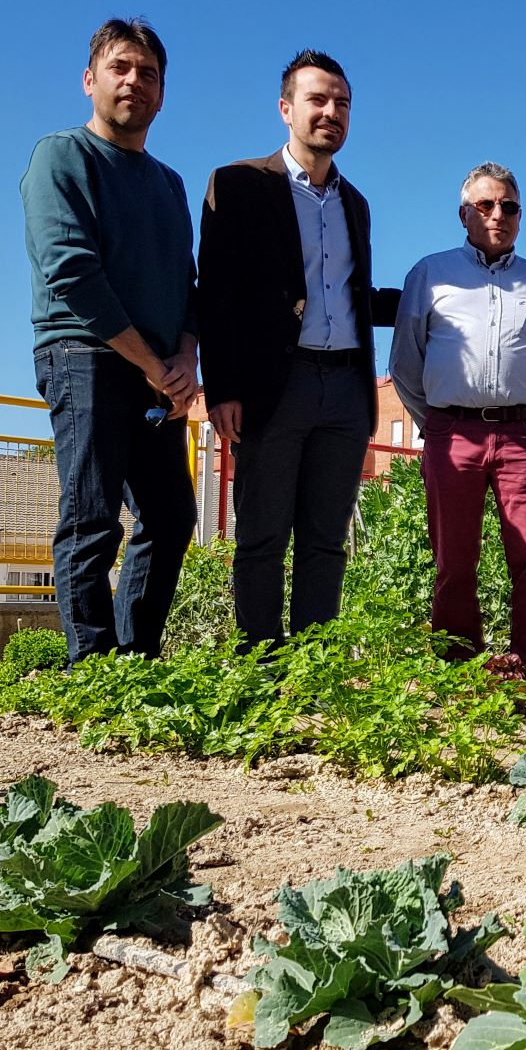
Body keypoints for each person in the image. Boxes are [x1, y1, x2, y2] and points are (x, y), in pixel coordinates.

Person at [196, 50, 399, 649]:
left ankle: (312, 669)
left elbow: (352, 294)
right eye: (317, 100)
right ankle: (260, 665)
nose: (330, 112)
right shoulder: (238, 184)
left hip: (345, 389)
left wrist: (426, 300)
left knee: (325, 538)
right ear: (286, 109)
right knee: (261, 533)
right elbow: (218, 293)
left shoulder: (354, 203)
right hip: (271, 388)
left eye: (341, 103)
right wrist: (223, 387)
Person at [21, 18, 198, 664]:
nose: (134, 82)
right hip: (83, 356)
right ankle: (88, 663)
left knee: (172, 516)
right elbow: (72, 272)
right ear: (90, 79)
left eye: (148, 73)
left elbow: (186, 281)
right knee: (91, 517)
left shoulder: (169, 184)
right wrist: (155, 362)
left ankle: (136, 657)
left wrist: (184, 358)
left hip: (157, 374)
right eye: (120, 68)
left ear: (162, 93)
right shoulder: (60, 157)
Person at [390, 163, 526, 697]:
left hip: (525, 435)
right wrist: (437, 421)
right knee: (454, 564)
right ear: (464, 214)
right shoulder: (430, 275)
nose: (498, 215)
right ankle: (460, 680)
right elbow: (405, 364)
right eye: (485, 206)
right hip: (451, 435)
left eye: (509, 206)